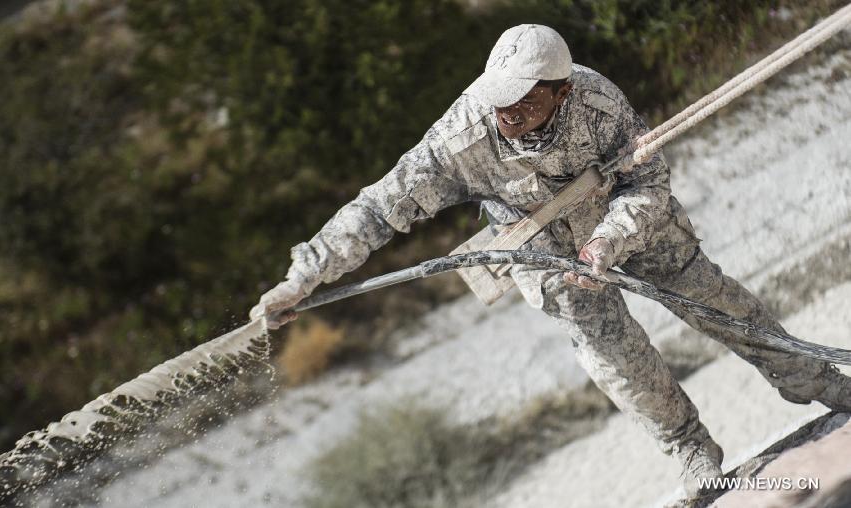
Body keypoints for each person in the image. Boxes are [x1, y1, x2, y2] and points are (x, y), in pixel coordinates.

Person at [249, 24, 851, 496]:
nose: (504, 113)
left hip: (630, 227)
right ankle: (693, 453)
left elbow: (647, 183)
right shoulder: (460, 140)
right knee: (616, 357)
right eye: (498, 101)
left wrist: (609, 240)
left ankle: (824, 384)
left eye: (520, 102)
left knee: (721, 305)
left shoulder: (596, 102)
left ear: (559, 91)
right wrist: (303, 277)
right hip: (541, 250)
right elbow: (379, 209)